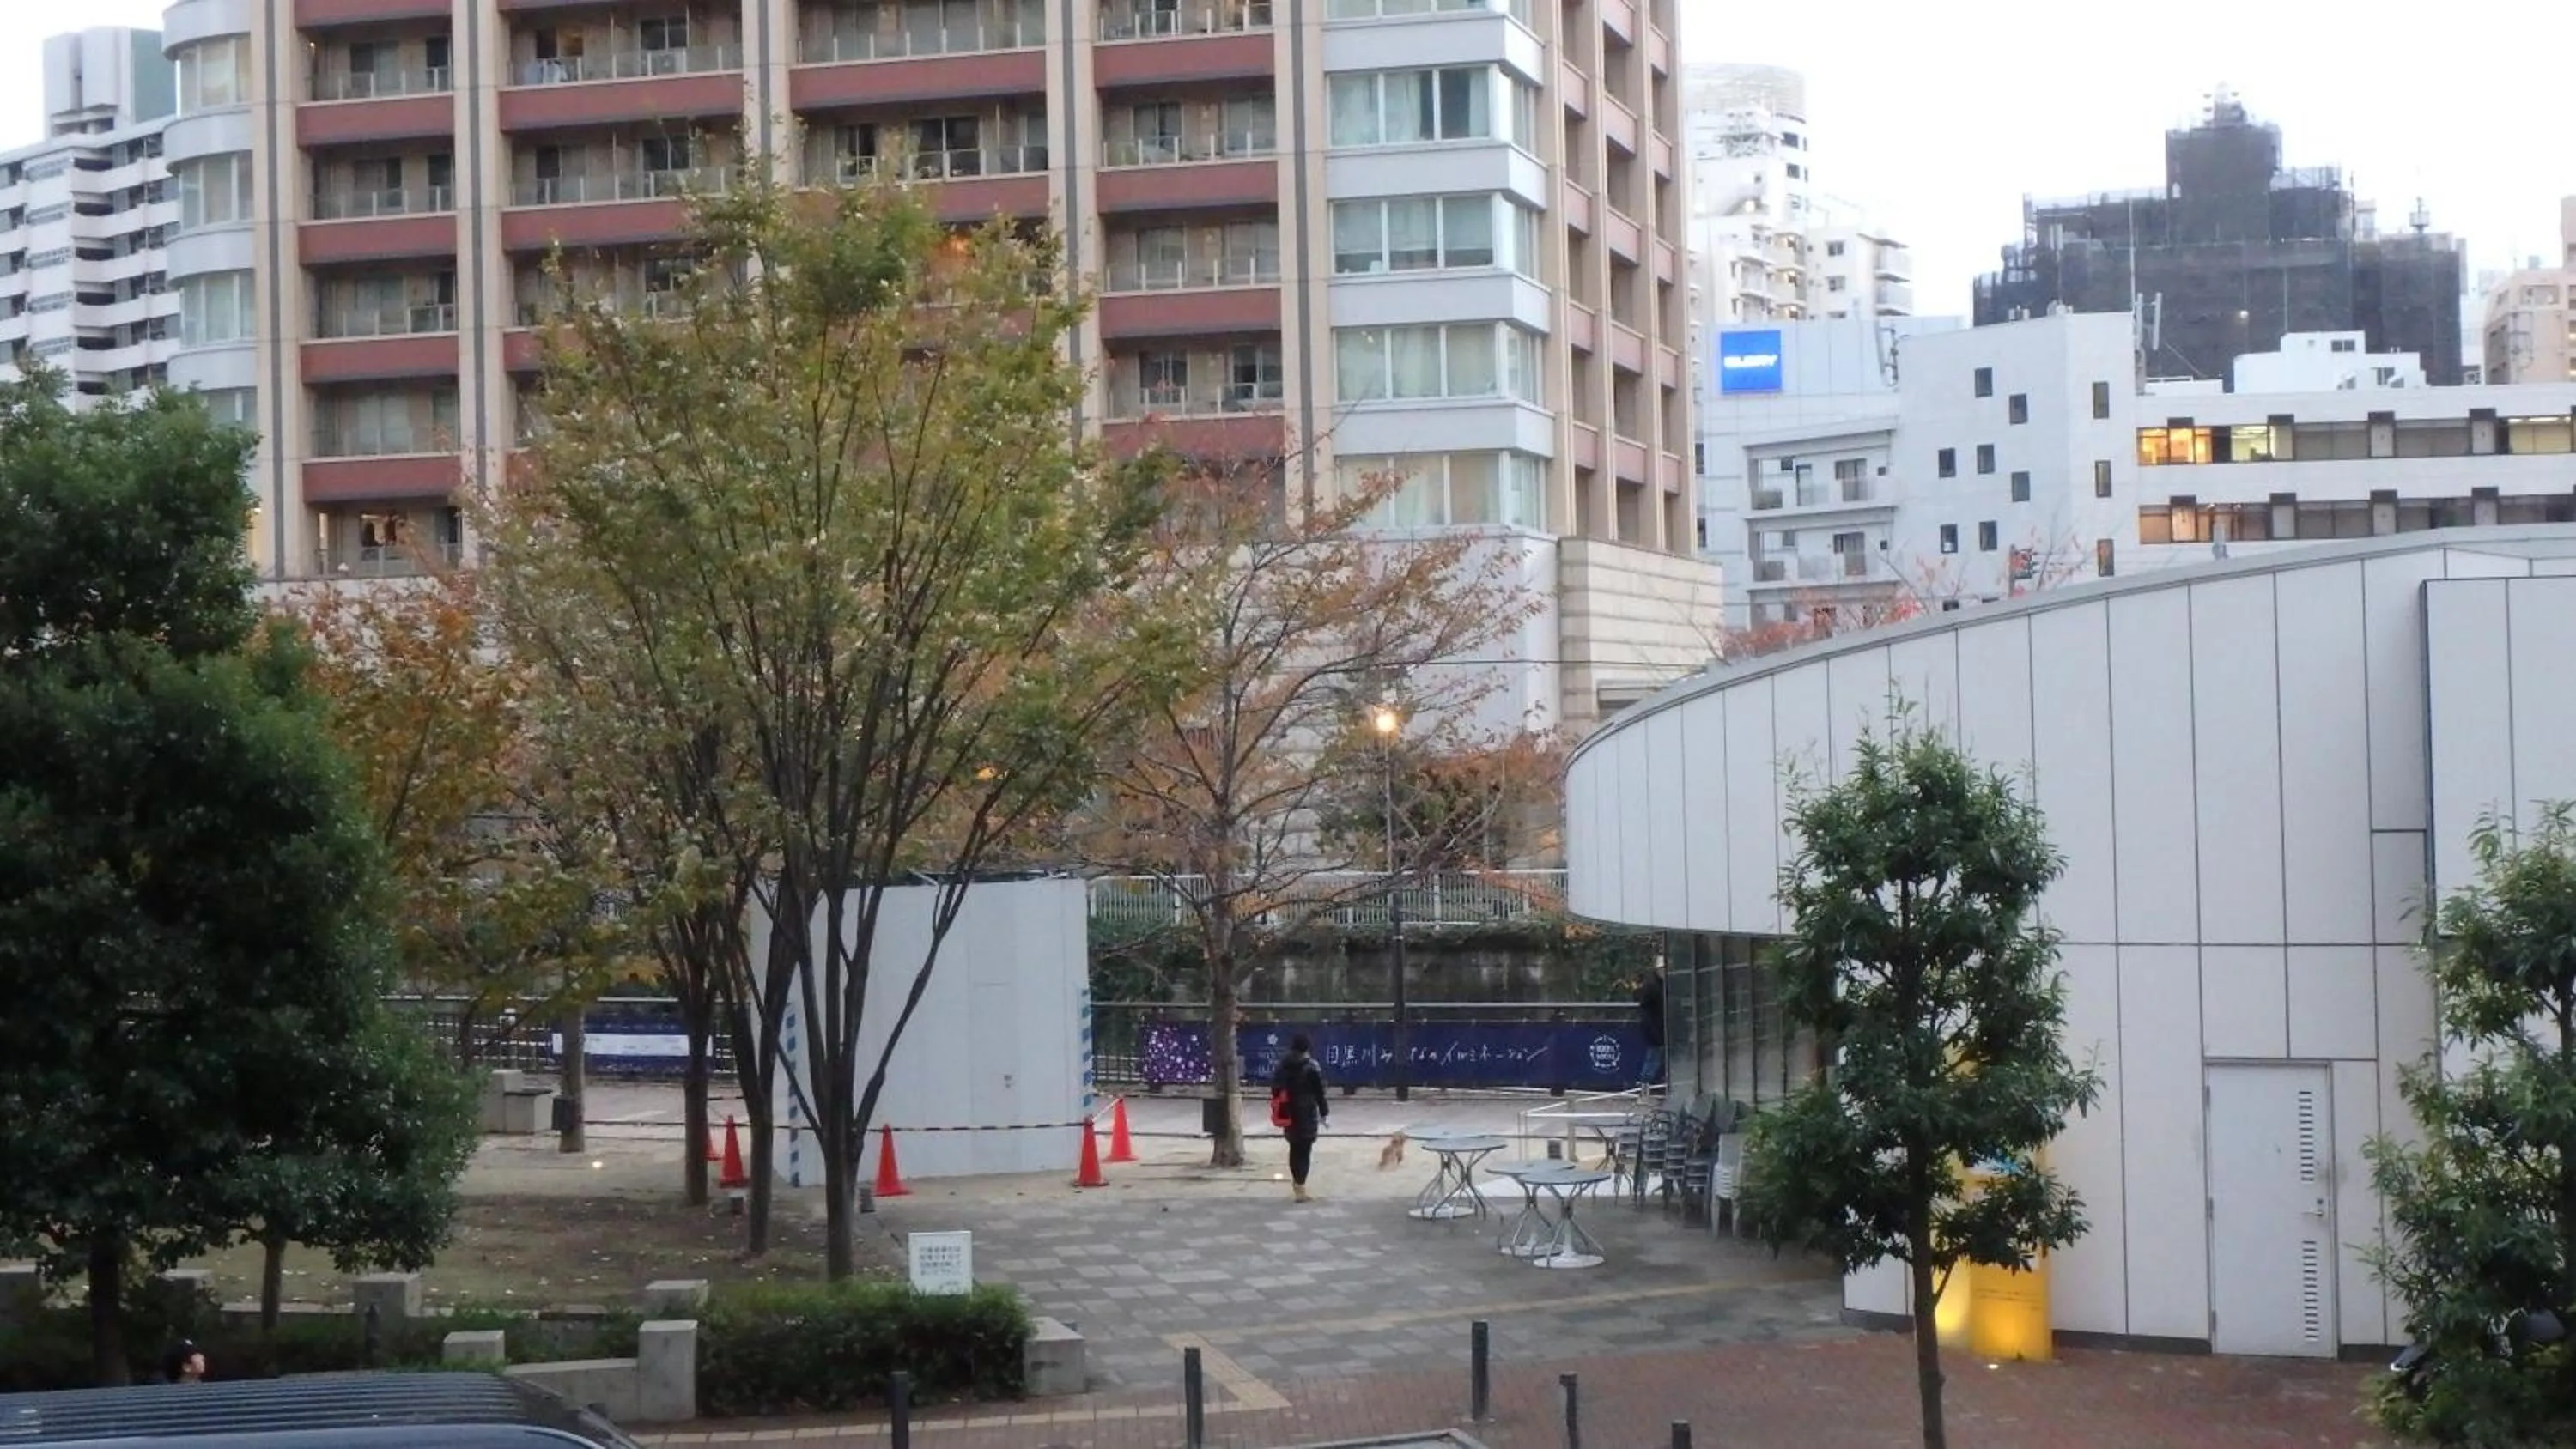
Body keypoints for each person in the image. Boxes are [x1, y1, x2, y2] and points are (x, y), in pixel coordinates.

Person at [1270, 1034, 1330, 1203]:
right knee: (1305, 1150)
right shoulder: (1312, 1066)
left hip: (1288, 1113)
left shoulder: (1283, 1066)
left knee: (1294, 1148)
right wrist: (1324, 1112)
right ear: (1307, 1048)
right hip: (1307, 1113)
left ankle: (1297, 1186)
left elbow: (1275, 1089)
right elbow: (1320, 1093)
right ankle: (1300, 1186)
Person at [1636, 966, 1668, 1089]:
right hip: (1655, 1030)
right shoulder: (1654, 987)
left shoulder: (1658, 986)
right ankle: (1645, 1088)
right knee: (1653, 1059)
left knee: (1656, 1058)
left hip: (1658, 1029)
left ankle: (1647, 1087)